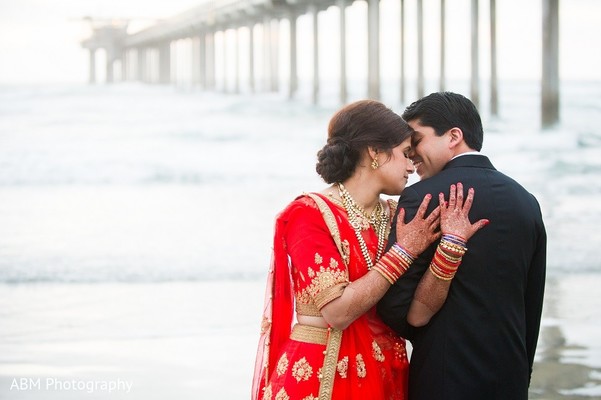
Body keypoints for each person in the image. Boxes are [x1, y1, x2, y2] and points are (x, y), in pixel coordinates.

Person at [251, 99, 487, 400]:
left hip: (386, 372)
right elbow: (337, 312)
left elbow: (417, 310)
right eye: (404, 154)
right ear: (375, 152)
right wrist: (404, 251)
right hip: (322, 374)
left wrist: (452, 247)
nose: (411, 166)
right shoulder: (309, 213)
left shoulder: (396, 216)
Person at [377, 92, 547, 400]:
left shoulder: (423, 197)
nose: (411, 154)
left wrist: (426, 331)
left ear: (454, 135)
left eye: (417, 140)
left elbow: (395, 305)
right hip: (511, 377)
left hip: (444, 376)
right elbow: (532, 302)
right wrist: (522, 372)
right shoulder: (526, 201)